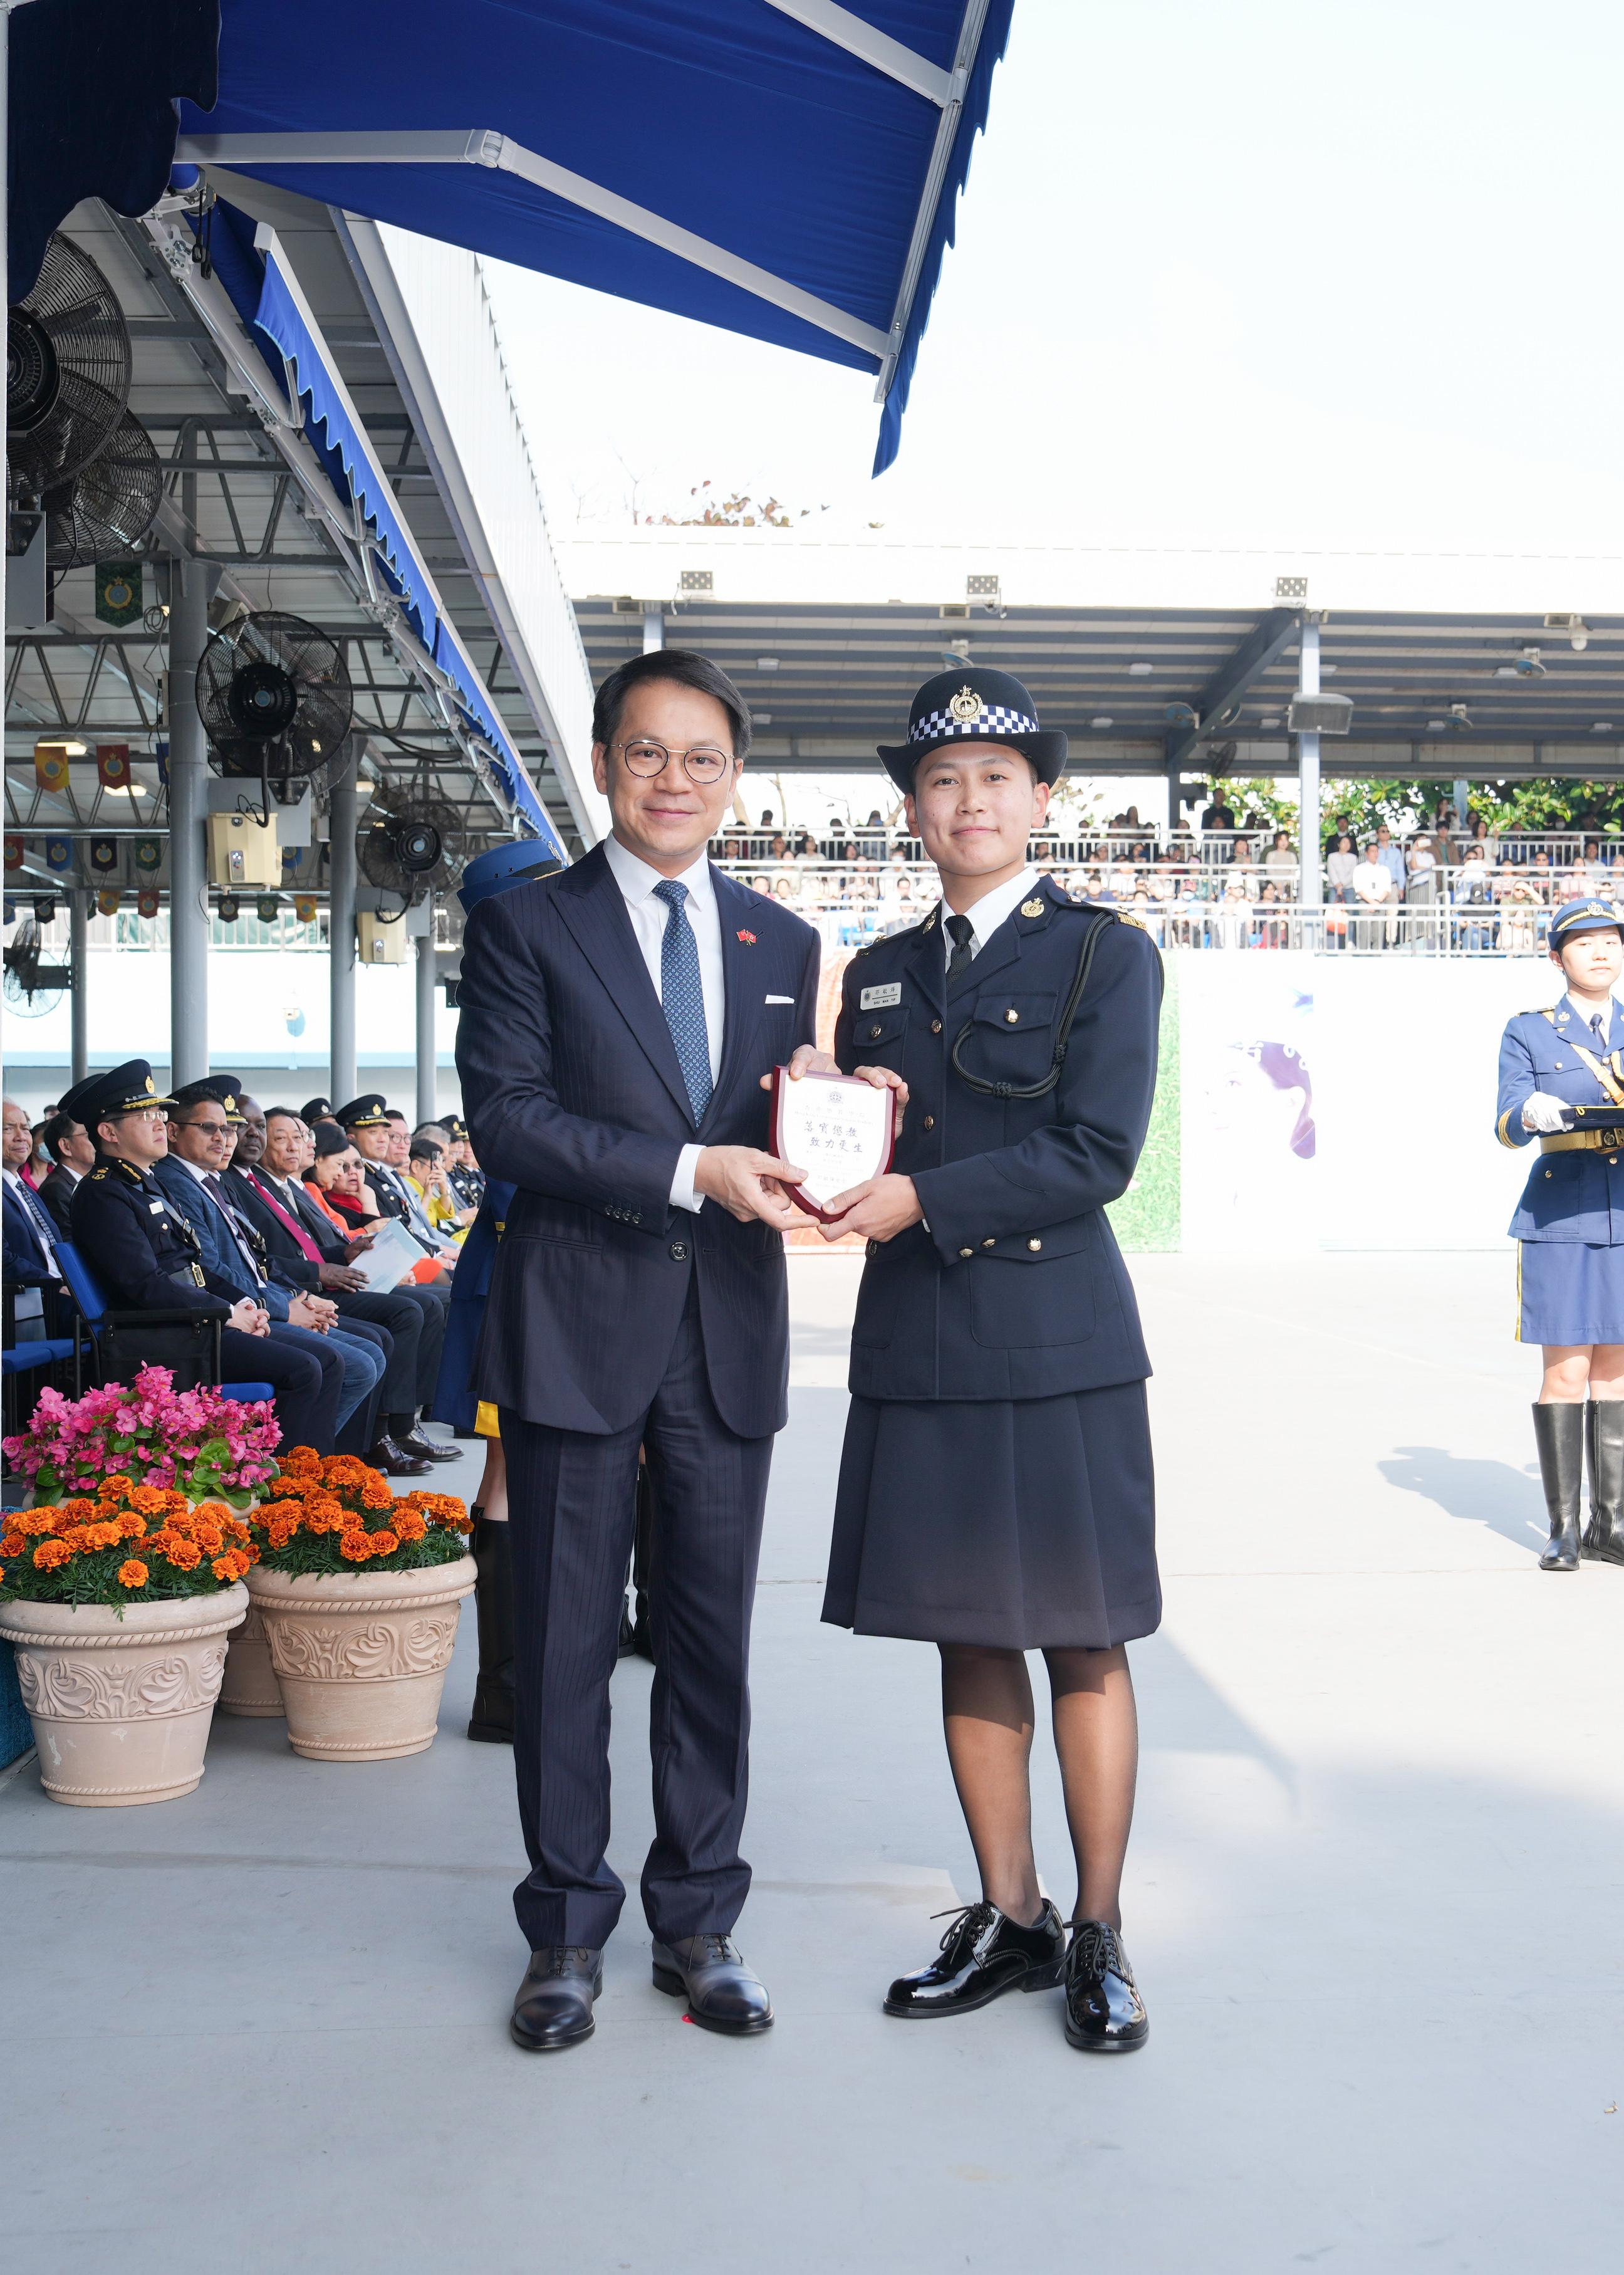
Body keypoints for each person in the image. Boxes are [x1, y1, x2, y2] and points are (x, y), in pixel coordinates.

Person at [457, 646, 820, 2053]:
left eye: (704, 757)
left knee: (711, 1642)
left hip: (725, 1333)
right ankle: (562, 1932)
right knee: (559, 1646)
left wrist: (844, 1115)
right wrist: (689, 1170)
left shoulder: (781, 943)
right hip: (576, 1327)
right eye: (649, 752)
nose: (676, 779)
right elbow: (512, 1121)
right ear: (604, 762)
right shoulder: (530, 928)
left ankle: (699, 1923)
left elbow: (785, 1121)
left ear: (736, 777)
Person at [813, 664, 1162, 2056]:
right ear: (912, 808)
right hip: (926, 1343)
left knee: (1084, 1633)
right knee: (968, 1633)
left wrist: (924, 1200)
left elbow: (1099, 1152)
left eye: (997, 780)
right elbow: (849, 1141)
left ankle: (1100, 1927)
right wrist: (847, 1116)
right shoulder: (881, 974)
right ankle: (1011, 1917)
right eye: (944, 781)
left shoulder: (1103, 955)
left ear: (1041, 799)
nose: (970, 802)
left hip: (1060, 1340)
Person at [61, 1061, 333, 1447]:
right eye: (145, 1116)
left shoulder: (145, 1183)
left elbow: (193, 1266)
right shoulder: (103, 1193)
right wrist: (226, 1314)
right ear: (108, 1132)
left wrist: (244, 1305)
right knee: (305, 1368)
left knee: (322, 1360)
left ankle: (310, 1479)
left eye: (158, 1113)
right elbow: (146, 1286)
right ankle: (287, 1490)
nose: (159, 1124)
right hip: (161, 1332)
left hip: (192, 1319)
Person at [1496, 899, 1624, 1570]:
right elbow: (1507, 1123)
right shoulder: (1530, 1031)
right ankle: (1565, 1529)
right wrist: (1530, 1111)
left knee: (1618, 1371)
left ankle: (1615, 1525)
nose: (1602, 952)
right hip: (1563, 1217)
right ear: (1558, 957)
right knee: (1568, 1371)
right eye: (1584, 943)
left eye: (1611, 941)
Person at [154, 1082, 383, 1455]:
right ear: (174, 1132)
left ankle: (329, 1466)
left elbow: (254, 1258)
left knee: (367, 1353)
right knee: (346, 1362)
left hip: (259, 1301)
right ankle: (295, 1472)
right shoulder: (178, 1181)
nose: (224, 1138)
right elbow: (211, 1268)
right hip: (228, 1314)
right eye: (210, 1128)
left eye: (228, 1128)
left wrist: (297, 1297)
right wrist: (284, 1307)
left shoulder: (208, 1180)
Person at [231, 1100, 452, 1475]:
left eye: (300, 1137)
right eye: (281, 1137)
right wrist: (318, 1277)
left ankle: (388, 1432)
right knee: (400, 1317)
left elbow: (313, 1245)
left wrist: (345, 1254)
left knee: (428, 1305)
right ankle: (374, 1439)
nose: (295, 1146)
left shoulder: (293, 1187)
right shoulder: (244, 1184)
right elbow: (264, 1260)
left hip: (314, 1281)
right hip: (294, 1290)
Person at [36, 1109, 96, 1237]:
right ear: (66, 1146)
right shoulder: (55, 1190)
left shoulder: (91, 1181)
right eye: (89, 1135)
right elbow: (69, 1243)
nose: (97, 1141)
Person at [1351, 840, 1394, 949]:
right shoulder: (1359, 868)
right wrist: (1371, 903)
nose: (1375, 854)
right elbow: (1358, 888)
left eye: (1377, 851)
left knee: (1379, 935)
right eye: (1372, 851)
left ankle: (1377, 958)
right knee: (1364, 933)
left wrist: (1377, 902)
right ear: (1367, 853)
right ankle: (1363, 958)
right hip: (1364, 903)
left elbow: (1387, 889)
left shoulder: (1384, 869)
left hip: (1380, 903)